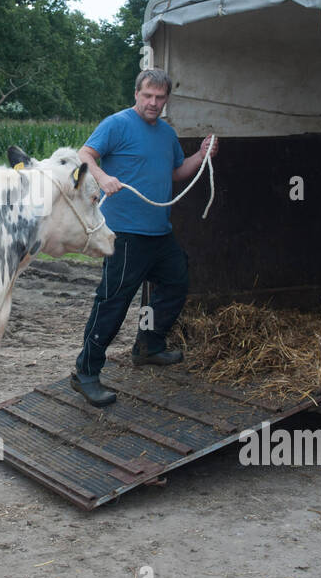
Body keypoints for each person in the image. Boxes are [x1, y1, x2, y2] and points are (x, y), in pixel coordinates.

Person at [70, 68, 215, 407]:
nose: (153, 102)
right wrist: (103, 176)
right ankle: (85, 372)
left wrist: (200, 155)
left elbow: (176, 172)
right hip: (124, 233)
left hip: (159, 232)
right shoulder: (117, 124)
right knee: (113, 303)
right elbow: (84, 155)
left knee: (176, 282)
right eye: (147, 95)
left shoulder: (167, 133)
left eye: (160, 97)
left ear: (166, 100)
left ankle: (148, 345)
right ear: (136, 94)